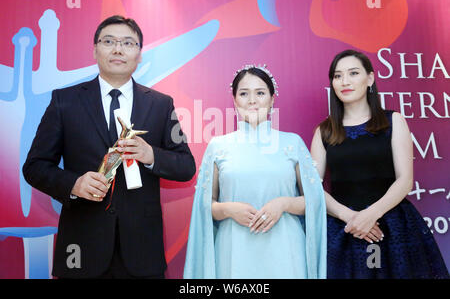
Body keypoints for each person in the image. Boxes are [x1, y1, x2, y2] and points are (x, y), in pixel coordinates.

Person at [22, 15, 196, 279]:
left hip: (142, 252)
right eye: (109, 41)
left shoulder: (161, 105)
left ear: (139, 54)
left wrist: (151, 155)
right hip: (80, 248)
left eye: (128, 43)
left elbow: (186, 166)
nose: (118, 49)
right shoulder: (64, 101)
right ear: (94, 50)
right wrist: (74, 184)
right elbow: (34, 167)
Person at [310, 49, 449, 278]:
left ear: (370, 78)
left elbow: (405, 180)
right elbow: (313, 186)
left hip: (392, 226)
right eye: (337, 76)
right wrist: (351, 218)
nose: (345, 81)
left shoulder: (393, 121)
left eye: (353, 73)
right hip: (343, 228)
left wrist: (371, 214)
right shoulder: (323, 131)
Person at [183, 65, 327, 278]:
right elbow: (205, 204)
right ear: (234, 101)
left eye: (260, 93)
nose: (252, 100)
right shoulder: (218, 146)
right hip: (234, 249)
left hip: (285, 248)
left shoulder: (293, 142)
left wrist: (283, 204)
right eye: (244, 93)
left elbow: (314, 200)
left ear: (272, 99)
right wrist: (229, 209)